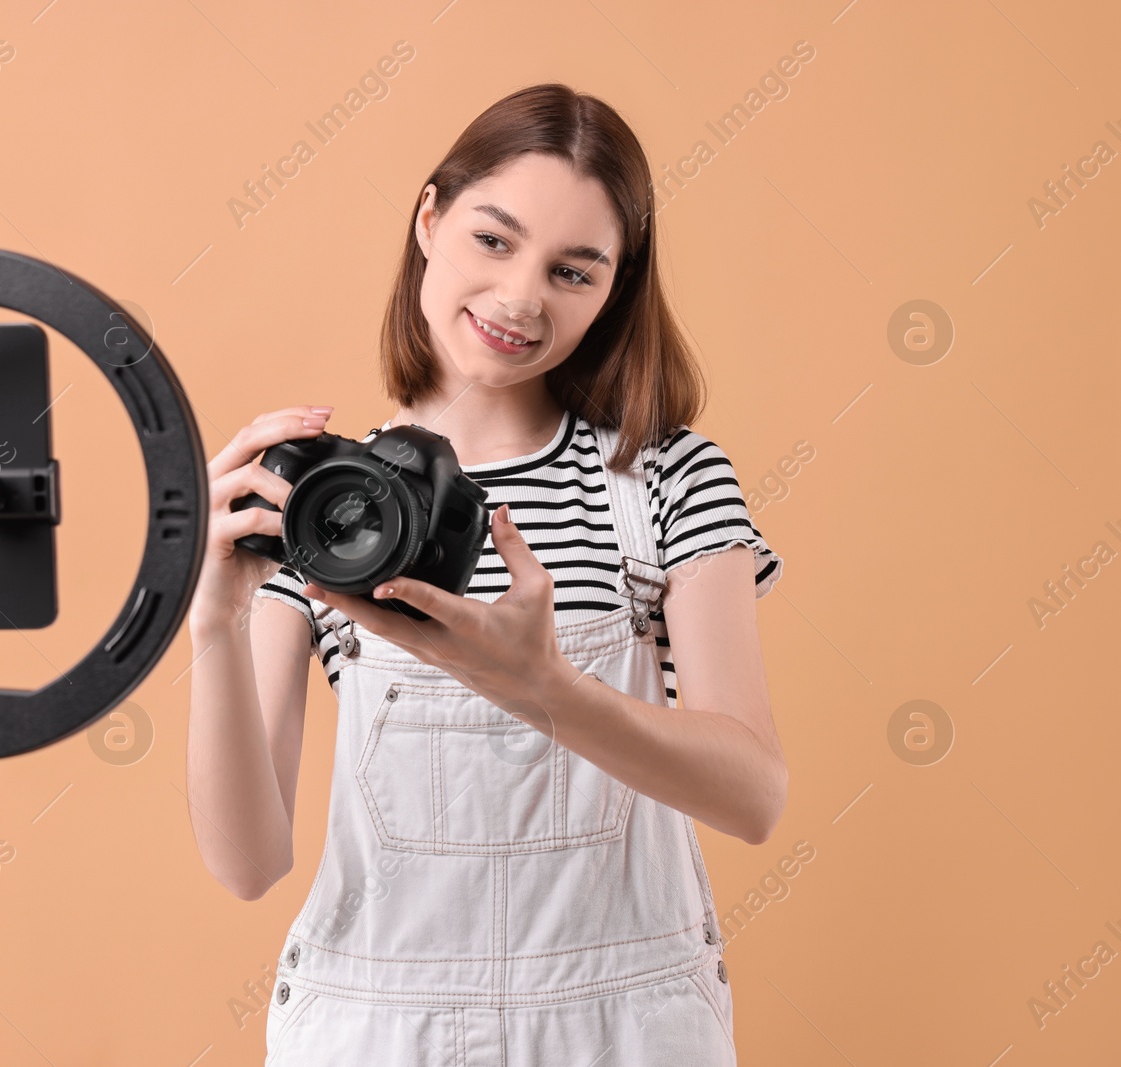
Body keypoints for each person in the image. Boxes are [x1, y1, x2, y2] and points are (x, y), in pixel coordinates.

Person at [186, 83, 787, 1066]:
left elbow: (753, 793)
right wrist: (212, 616)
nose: (519, 299)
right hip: (377, 1023)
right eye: (493, 240)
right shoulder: (329, 501)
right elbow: (247, 862)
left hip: (624, 1023)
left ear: (614, 291)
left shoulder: (665, 476)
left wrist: (542, 687)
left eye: (573, 271)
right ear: (429, 217)